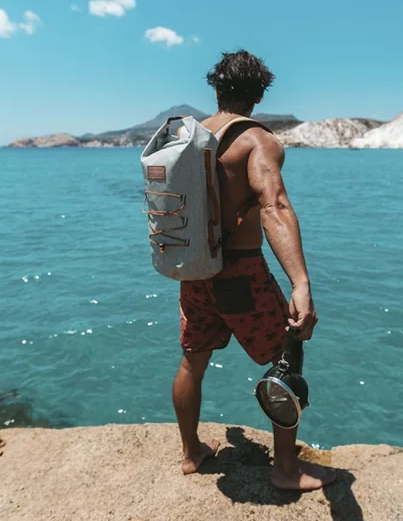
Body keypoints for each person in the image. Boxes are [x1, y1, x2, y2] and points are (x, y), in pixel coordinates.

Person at [172, 49, 337, 490]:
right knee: (288, 353)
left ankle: (191, 453)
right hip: (239, 273)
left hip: (194, 268)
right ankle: (285, 469)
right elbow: (274, 206)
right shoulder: (258, 141)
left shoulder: (189, 135)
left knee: (192, 362)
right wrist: (300, 283)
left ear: (216, 89)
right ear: (260, 94)